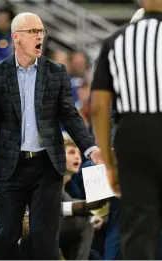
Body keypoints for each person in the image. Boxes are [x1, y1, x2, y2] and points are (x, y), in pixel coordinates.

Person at [0, 12, 102, 260]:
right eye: (33, 31)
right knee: (5, 237)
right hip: (9, 166)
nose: (39, 36)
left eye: (42, 31)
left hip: (47, 165)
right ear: (16, 37)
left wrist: (90, 148)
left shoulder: (56, 71)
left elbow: (70, 115)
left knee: (44, 239)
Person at [90, 0, 162, 259]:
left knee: (135, 225)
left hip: (132, 138)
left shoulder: (116, 41)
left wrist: (108, 162)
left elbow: (98, 107)